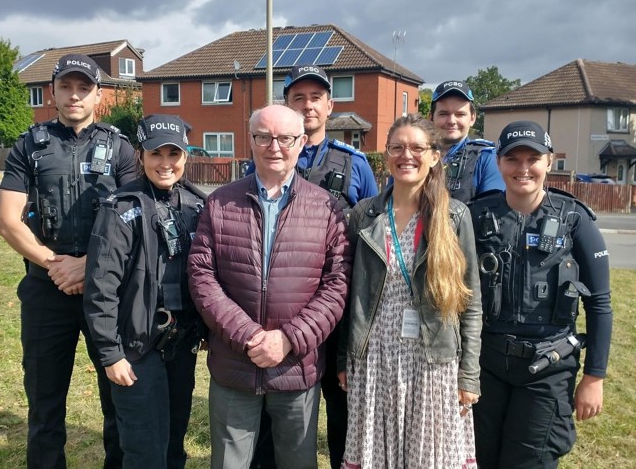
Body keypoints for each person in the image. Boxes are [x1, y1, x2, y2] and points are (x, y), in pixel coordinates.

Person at [187, 104, 352, 469]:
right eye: (264, 137)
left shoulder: (325, 207)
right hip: (235, 363)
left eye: (285, 138)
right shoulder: (219, 203)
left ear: (301, 142)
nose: (274, 146)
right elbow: (202, 276)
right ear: (251, 141)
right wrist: (248, 335)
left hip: (297, 367)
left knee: (297, 462)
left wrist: (289, 339)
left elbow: (337, 284)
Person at [0, 53, 137, 468]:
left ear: (98, 94)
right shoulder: (29, 146)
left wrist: (88, 265)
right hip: (45, 289)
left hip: (106, 292)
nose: (74, 95)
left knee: (118, 400)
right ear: (53, 91)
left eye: (84, 88)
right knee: (44, 402)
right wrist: (54, 264)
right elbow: (8, 221)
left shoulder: (121, 149)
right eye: (66, 87)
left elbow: (134, 219)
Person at [247, 64, 378, 469]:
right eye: (298, 98)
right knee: (274, 413)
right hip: (282, 314)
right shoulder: (269, 154)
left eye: (315, 97)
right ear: (286, 103)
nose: (307, 105)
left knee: (341, 410)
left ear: (329, 105)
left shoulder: (354, 164)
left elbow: (373, 233)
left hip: (336, 310)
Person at [337, 114, 482, 468]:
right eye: (398, 147)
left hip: (431, 357)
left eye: (418, 147)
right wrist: (343, 357)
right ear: (386, 155)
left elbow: (471, 301)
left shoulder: (455, 216)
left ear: (434, 156)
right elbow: (349, 293)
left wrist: (469, 375)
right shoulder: (365, 214)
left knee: (429, 456)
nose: (407, 155)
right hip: (374, 356)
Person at [467, 121, 612, 468]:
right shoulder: (475, 216)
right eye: (512, 159)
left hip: (547, 366)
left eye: (533, 158)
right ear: (499, 163)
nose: (523, 168)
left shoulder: (575, 220)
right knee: (477, 458)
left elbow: (600, 303)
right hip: (485, 363)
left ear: (549, 162)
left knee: (530, 460)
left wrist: (594, 377)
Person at [83, 114, 207, 468]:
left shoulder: (198, 206)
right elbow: (100, 287)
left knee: (173, 445)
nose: (165, 163)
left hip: (181, 346)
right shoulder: (120, 208)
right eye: (156, 154)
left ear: (186, 157)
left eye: (174, 154)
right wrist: (111, 353)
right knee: (143, 451)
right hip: (135, 349)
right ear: (141, 155)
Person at [430, 79, 505, 201]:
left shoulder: (486, 157)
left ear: (472, 118)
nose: (451, 121)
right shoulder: (415, 154)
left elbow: (493, 210)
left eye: (460, 114)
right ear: (431, 117)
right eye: (443, 114)